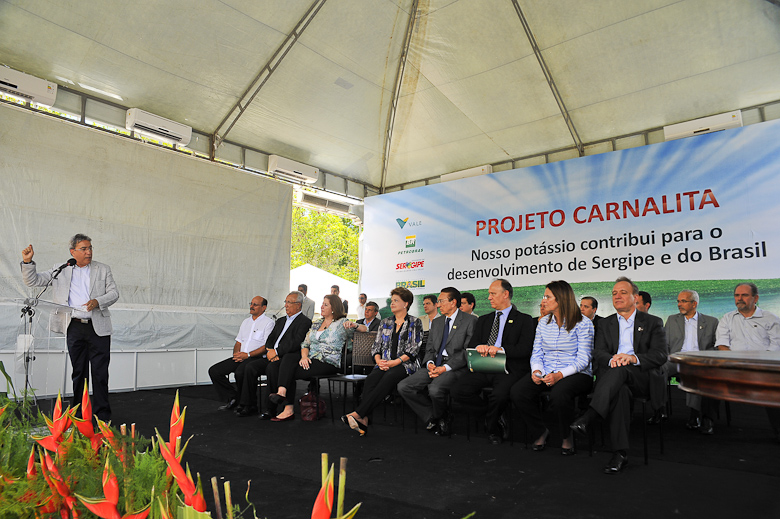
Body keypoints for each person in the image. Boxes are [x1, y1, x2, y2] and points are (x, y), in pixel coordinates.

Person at [570, 277, 667, 474]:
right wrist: (612, 360)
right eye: (614, 293)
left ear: (635, 297)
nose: (617, 296)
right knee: (620, 390)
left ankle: (590, 415)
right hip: (615, 379)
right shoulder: (606, 323)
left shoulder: (653, 322)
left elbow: (660, 355)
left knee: (622, 369)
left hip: (642, 377)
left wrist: (632, 358)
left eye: (623, 292)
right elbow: (598, 352)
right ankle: (620, 453)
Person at [21, 234, 119, 422]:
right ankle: (80, 416)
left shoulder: (102, 269)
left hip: (98, 328)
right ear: (73, 251)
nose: (89, 252)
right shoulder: (61, 269)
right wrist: (27, 262)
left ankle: (102, 417)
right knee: (79, 373)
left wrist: (98, 301)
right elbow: (33, 281)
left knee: (100, 374)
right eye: (84, 249)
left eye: (90, 248)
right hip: (74, 326)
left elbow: (114, 293)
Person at [511, 280, 594, 455]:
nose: (544, 300)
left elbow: (583, 359)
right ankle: (540, 431)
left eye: (548, 297)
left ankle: (566, 436)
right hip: (547, 370)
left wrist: (560, 375)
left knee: (559, 395)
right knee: (518, 392)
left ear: (561, 299)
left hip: (576, 373)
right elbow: (537, 352)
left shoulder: (583, 323)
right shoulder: (543, 323)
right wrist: (536, 371)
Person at [451, 279, 536, 445]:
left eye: (493, 294)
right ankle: (493, 416)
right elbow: (472, 344)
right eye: (489, 294)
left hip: (508, 368)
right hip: (483, 366)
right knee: (457, 391)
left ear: (505, 294)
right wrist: (480, 347)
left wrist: (501, 349)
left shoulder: (524, 319)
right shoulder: (484, 320)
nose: (489, 297)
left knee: (499, 395)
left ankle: (493, 429)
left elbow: (525, 349)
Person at [341, 287, 423, 436]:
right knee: (371, 379)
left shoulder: (415, 322)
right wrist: (379, 361)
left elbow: (413, 349)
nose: (392, 303)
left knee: (389, 376)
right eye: (392, 300)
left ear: (406, 304)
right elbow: (376, 347)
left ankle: (358, 413)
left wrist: (394, 362)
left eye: (396, 300)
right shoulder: (385, 322)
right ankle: (364, 419)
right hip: (384, 363)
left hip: (406, 364)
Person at [398, 287, 477, 436]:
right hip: (434, 365)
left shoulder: (470, 321)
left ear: (453, 302)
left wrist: (445, 367)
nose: (438, 305)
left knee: (435, 390)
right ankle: (435, 416)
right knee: (404, 386)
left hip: (454, 367)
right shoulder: (437, 322)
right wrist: (430, 364)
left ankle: (439, 417)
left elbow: (467, 351)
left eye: (441, 301)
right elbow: (430, 349)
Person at [705, 282, 780, 438]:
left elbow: (776, 346)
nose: (739, 298)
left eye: (744, 295)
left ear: (755, 298)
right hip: (733, 365)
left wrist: (758, 364)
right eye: (737, 295)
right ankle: (707, 422)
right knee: (709, 379)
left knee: (774, 387)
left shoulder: (770, 318)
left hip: (763, 366)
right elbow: (722, 344)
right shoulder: (727, 318)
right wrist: (735, 362)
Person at [266, 295, 350, 421]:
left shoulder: (342, 323)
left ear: (334, 308)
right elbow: (305, 344)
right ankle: (281, 393)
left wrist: (356, 326)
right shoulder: (317, 323)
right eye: (322, 304)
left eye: (325, 305)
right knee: (286, 359)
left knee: (288, 371)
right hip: (311, 359)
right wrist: (304, 357)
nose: (321, 307)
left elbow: (364, 329)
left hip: (328, 362)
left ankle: (288, 408)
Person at [236, 291, 312, 418]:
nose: (286, 305)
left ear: (298, 305)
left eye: (289, 302)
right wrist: (270, 350)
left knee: (272, 369)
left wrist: (277, 352)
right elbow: (270, 339)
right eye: (286, 302)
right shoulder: (281, 320)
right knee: (250, 367)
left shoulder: (304, 322)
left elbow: (296, 343)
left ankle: (270, 409)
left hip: (286, 357)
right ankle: (248, 404)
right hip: (272, 354)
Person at [658, 290, 717, 428]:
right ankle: (659, 410)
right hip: (676, 359)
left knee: (693, 372)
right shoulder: (672, 320)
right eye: (678, 301)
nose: (679, 304)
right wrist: (666, 356)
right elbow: (664, 344)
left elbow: (716, 347)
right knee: (658, 369)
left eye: (683, 301)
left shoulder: (711, 322)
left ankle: (694, 414)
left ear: (694, 304)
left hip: (698, 361)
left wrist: (702, 358)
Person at [208, 296, 275, 411]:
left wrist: (247, 355)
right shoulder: (245, 322)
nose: (251, 306)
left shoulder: (268, 323)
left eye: (255, 304)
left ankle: (248, 404)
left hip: (256, 358)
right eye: (251, 304)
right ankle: (233, 398)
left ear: (264, 307)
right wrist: (236, 355)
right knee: (215, 371)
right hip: (241, 357)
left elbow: (266, 346)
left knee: (240, 372)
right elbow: (238, 342)